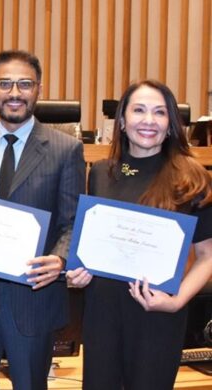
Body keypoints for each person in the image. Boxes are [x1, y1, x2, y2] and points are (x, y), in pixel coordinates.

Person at [66, 80, 212, 389]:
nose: (148, 120)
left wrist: (176, 302)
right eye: (139, 110)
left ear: (171, 124)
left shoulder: (192, 178)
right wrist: (76, 274)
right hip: (102, 315)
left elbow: (208, 256)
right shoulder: (102, 172)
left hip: (157, 317)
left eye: (159, 112)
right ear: (121, 120)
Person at [0, 50, 85, 390]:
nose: (14, 93)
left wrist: (59, 258)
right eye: (5, 83)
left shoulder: (65, 149)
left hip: (31, 298)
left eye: (24, 84)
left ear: (38, 89)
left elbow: (73, 221)